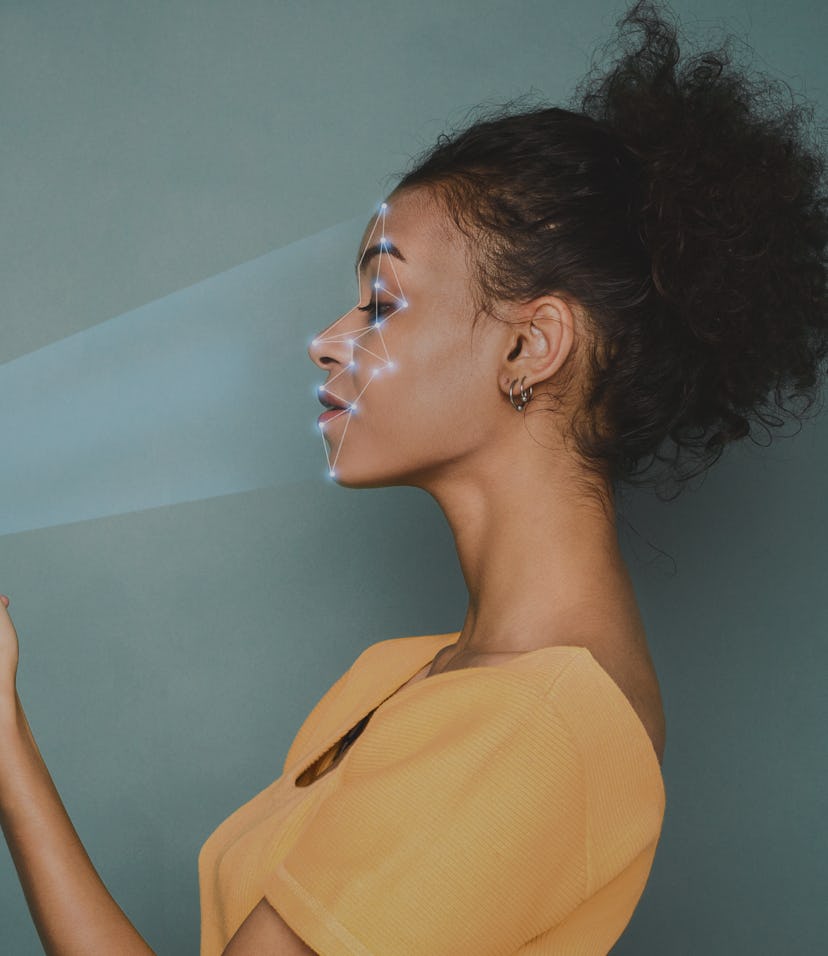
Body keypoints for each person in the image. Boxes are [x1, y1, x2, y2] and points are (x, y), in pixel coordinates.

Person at [2, 1, 826, 953]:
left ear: (531, 343)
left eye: (381, 302)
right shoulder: (404, 677)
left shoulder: (536, 729)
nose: (326, 341)